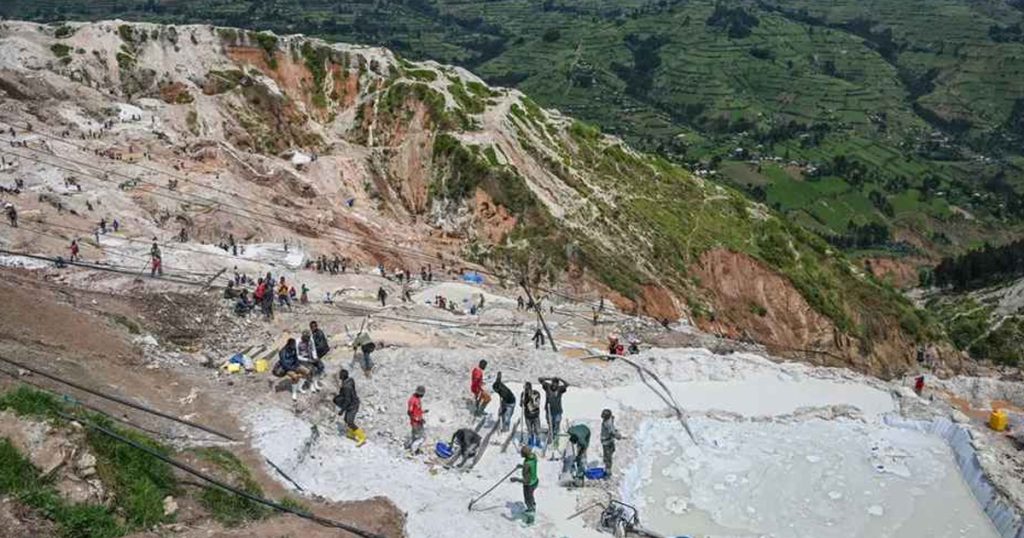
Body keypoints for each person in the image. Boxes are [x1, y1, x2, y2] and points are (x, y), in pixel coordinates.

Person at [334, 369, 366, 446]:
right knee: (346, 419)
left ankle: (362, 437)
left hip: (353, 405)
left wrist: (342, 410)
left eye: (340, 375)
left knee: (350, 421)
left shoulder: (346, 387)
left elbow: (348, 400)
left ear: (343, 376)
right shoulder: (349, 380)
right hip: (352, 403)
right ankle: (352, 433)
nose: (339, 376)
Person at [510, 445, 538, 524]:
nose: (520, 454)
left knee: (527, 500)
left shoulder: (527, 464)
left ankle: (531, 519)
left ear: (525, 454)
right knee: (531, 497)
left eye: (521, 453)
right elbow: (530, 466)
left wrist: (516, 479)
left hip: (529, 484)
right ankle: (533, 507)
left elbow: (526, 481)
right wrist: (522, 466)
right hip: (535, 481)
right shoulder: (533, 457)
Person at [539, 377, 569, 448]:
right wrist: (549, 378)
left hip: (558, 411)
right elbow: (540, 379)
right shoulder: (547, 387)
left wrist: (561, 379)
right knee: (550, 425)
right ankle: (550, 437)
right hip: (549, 410)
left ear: (558, 384)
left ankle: (555, 440)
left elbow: (567, 384)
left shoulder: (560, 389)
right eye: (553, 383)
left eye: (556, 384)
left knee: (556, 425)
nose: (554, 385)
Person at [600, 409, 624, 474]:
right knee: (608, 456)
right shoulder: (607, 423)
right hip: (606, 441)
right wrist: (618, 436)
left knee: (612, 450)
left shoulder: (609, 420)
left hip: (609, 440)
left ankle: (607, 461)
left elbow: (612, 426)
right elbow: (612, 432)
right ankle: (608, 470)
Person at [406, 385, 427, 453]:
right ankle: (412, 451)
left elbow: (417, 410)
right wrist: (417, 419)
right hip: (415, 422)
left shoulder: (417, 399)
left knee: (415, 436)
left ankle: (410, 447)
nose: (422, 396)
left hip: (418, 421)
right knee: (422, 437)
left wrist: (423, 412)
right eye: (422, 394)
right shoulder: (412, 400)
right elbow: (410, 412)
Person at [521, 382, 542, 447]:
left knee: (537, 430)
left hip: (535, 415)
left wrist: (531, 398)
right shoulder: (523, 394)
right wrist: (523, 402)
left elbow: (537, 404)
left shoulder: (536, 393)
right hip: (527, 415)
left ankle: (538, 441)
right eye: (525, 389)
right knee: (529, 430)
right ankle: (531, 441)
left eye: (527, 389)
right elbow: (521, 405)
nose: (526, 390)